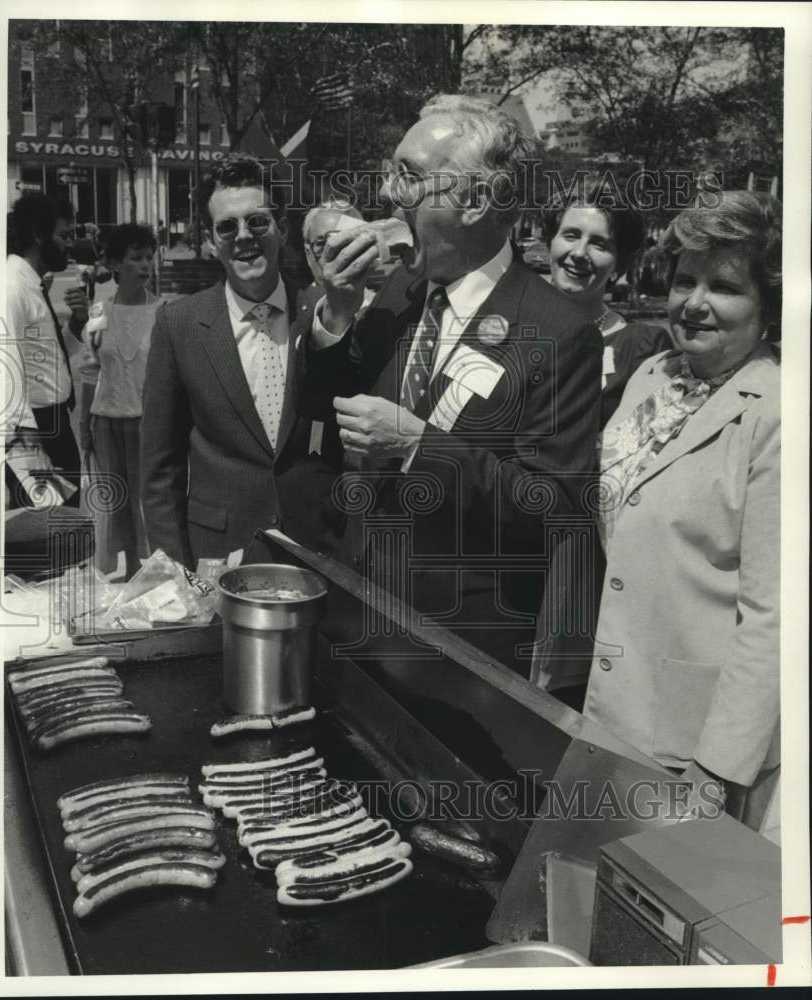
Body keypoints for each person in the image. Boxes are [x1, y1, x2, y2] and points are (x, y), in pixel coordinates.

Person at [300, 95, 602, 675]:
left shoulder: (560, 332)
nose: (387, 193)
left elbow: (553, 506)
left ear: (476, 201)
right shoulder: (398, 293)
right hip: (356, 613)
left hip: (458, 645)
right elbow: (322, 409)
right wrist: (336, 313)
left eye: (409, 176)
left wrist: (418, 446)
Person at [585, 190, 781, 823]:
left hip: (694, 741)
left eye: (723, 287)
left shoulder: (778, 411)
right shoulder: (654, 374)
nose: (694, 303)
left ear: (766, 304)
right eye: (684, 280)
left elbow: (773, 613)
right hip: (613, 701)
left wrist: (717, 765)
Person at [141, 153, 344, 569]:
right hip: (220, 557)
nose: (244, 236)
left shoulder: (323, 313)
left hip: (319, 552)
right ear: (212, 241)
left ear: (282, 229)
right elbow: (161, 470)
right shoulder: (177, 325)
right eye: (227, 227)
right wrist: (174, 574)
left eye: (257, 221)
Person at [540, 184, 669, 427]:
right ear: (550, 243)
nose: (579, 253)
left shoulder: (641, 349)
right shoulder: (509, 321)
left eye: (599, 244)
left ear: (618, 265)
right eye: (571, 235)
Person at [77, 224, 160, 579]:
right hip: (106, 421)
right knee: (114, 502)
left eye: (148, 258)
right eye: (135, 258)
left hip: (146, 421)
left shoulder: (164, 310)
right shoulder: (99, 311)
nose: (145, 266)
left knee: (149, 502)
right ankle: (126, 571)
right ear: (115, 263)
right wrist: (83, 425)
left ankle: (149, 572)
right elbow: (89, 370)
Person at [5, 194, 80, 506]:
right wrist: (26, 436)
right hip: (35, 428)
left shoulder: (32, 283)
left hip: (55, 422)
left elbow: (50, 358)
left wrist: (77, 323)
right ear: (38, 234)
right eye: (64, 236)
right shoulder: (12, 285)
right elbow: (4, 359)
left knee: (66, 529)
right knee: (47, 533)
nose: (70, 244)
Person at [300, 199, 373, 315]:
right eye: (322, 243)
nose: (334, 253)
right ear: (308, 254)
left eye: (345, 243)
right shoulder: (292, 309)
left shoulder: (381, 305)